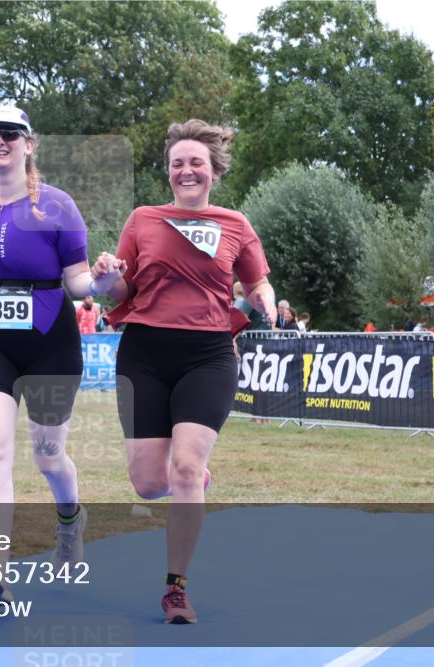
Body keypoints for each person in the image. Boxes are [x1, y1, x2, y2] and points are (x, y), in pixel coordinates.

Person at [92, 119, 277, 624]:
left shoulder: (235, 223)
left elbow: (260, 283)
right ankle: (188, 479)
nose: (186, 170)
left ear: (213, 170)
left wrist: (266, 301)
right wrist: (108, 279)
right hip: (144, 355)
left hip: (209, 355)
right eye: (177, 163)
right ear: (169, 172)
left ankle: (176, 588)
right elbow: (121, 292)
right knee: (150, 484)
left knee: (186, 470)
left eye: (196, 162)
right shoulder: (143, 219)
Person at [0, 104, 113, 606]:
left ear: (29, 144)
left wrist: (104, 281)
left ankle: (70, 518)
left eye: (10, 134)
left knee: (47, 456)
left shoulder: (58, 205)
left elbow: (79, 282)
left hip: (49, 341)